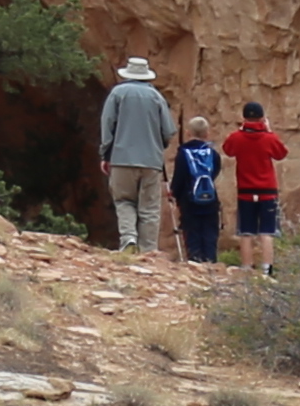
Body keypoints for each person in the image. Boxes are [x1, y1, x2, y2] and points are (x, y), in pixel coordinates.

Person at [95, 54, 171, 252]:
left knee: (124, 200)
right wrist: (158, 145)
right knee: (150, 208)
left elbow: (107, 124)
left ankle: (129, 238)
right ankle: (148, 250)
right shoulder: (156, 97)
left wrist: (105, 153)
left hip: (121, 158)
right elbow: (168, 130)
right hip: (151, 161)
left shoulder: (118, 93)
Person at [223, 100, 288, 270]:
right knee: (267, 231)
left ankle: (246, 267)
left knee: (246, 231)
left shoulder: (237, 137)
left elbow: (227, 149)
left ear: (243, 118)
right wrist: (269, 130)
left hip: (245, 190)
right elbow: (281, 153)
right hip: (267, 190)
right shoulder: (268, 138)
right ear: (262, 118)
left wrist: (241, 129)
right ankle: (267, 269)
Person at [171, 116, 225, 265]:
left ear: (188, 133)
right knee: (210, 234)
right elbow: (214, 173)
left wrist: (174, 193)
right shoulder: (212, 153)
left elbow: (179, 177)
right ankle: (211, 265)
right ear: (207, 133)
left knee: (192, 234)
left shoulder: (183, 153)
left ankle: (195, 263)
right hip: (210, 199)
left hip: (189, 201)